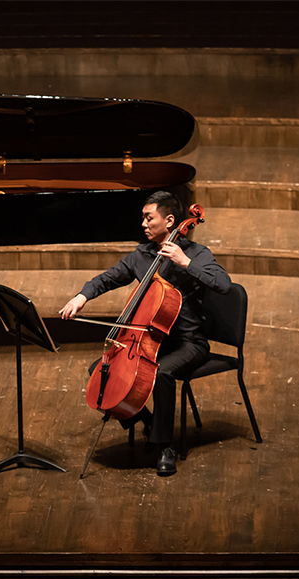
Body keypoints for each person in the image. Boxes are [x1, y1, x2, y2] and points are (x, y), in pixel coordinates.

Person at [59, 190, 231, 477]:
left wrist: (185, 262)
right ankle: (149, 422)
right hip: (150, 340)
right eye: (143, 218)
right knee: (101, 371)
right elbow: (109, 277)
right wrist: (82, 296)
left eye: (149, 218)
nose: (143, 224)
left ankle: (165, 446)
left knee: (162, 373)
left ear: (170, 220)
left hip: (189, 342)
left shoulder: (196, 253)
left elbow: (224, 284)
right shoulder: (142, 255)